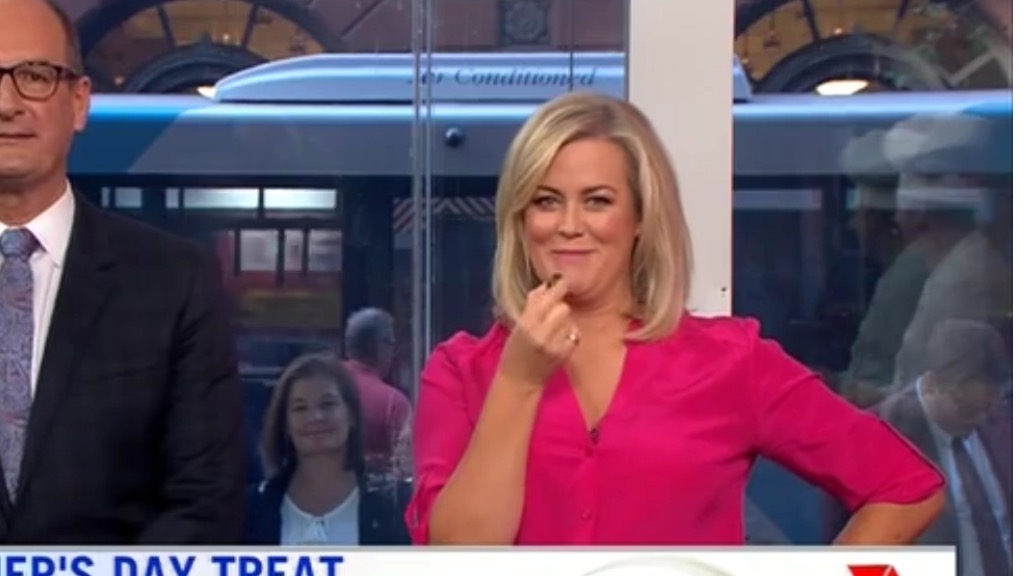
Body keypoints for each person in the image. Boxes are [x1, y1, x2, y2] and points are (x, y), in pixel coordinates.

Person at [406, 91, 946, 545]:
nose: (569, 225)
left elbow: (906, 487)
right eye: (546, 201)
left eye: (597, 201)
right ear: (520, 219)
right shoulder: (459, 371)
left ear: (640, 217)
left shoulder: (731, 361)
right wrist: (519, 382)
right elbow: (455, 557)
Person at [0, 0, 244, 542]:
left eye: (34, 76)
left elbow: (205, 503)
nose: (6, 103)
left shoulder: (175, 282)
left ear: (79, 102)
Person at [245, 354, 409, 545]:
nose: (315, 417)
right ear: (285, 423)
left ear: (351, 414)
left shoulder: (393, 504)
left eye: (327, 404)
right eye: (300, 408)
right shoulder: (254, 507)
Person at [342, 308, 412, 479]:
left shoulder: (323, 384)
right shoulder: (393, 403)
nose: (394, 353)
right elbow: (405, 470)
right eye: (392, 344)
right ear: (378, 346)